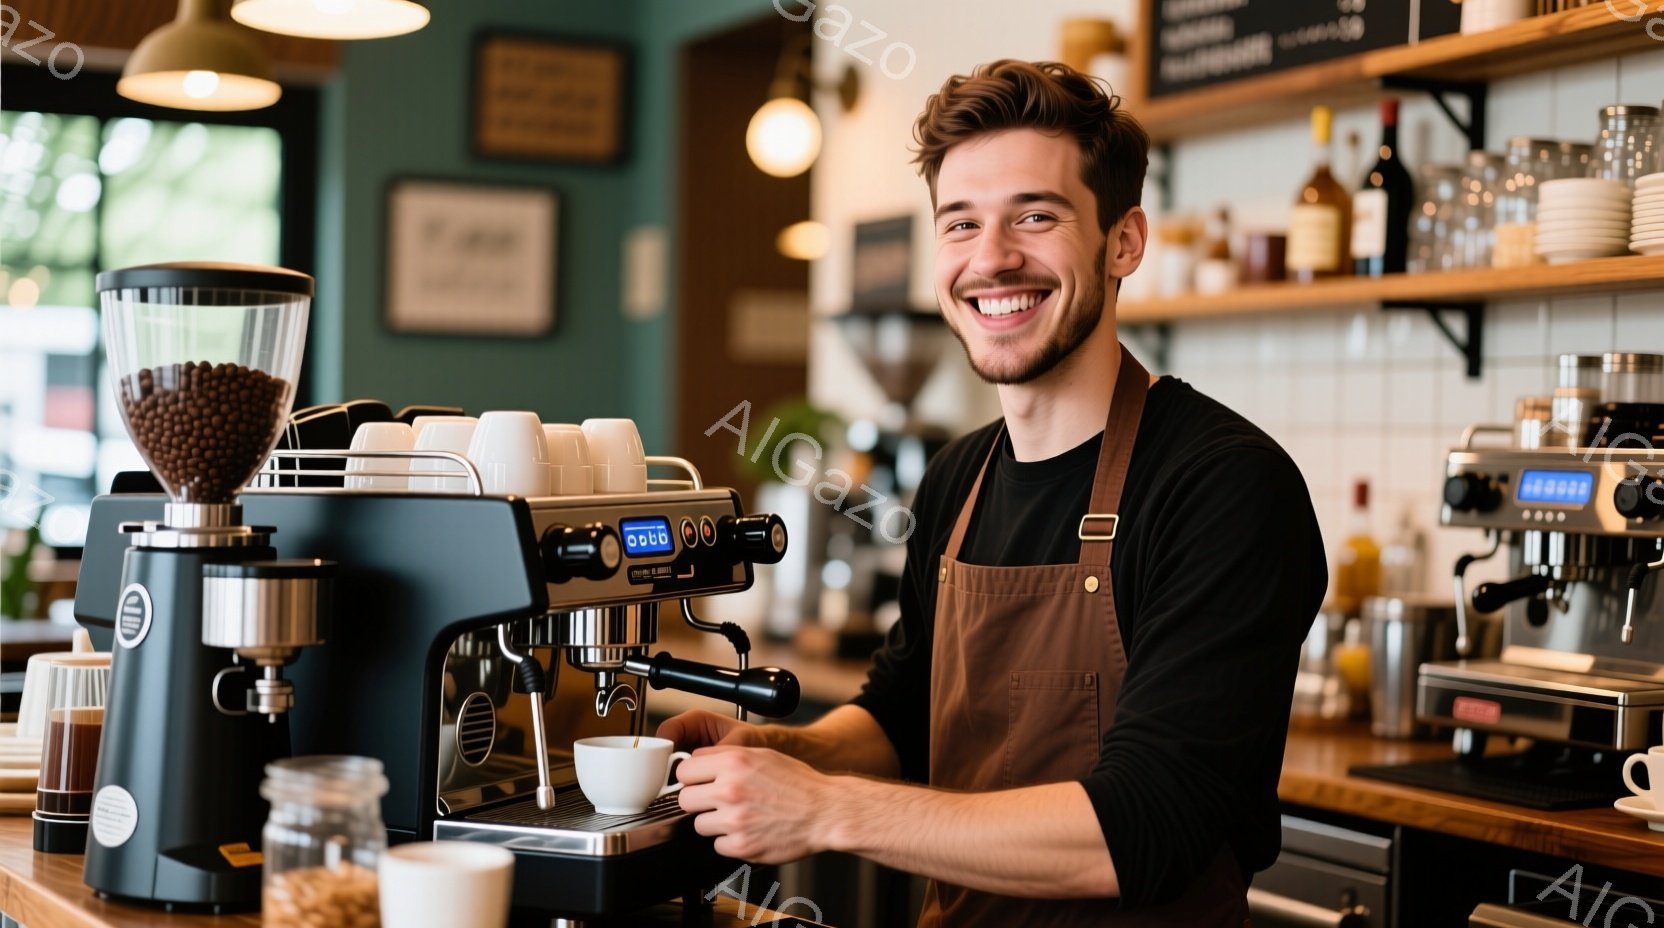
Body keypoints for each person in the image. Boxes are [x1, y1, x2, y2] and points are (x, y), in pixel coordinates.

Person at [660, 59, 1326, 926]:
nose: (992, 259)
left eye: (1035, 217)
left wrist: (822, 808)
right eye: (961, 223)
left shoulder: (1225, 485)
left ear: (1124, 241)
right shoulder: (958, 478)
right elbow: (905, 715)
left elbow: (1144, 829)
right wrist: (785, 752)